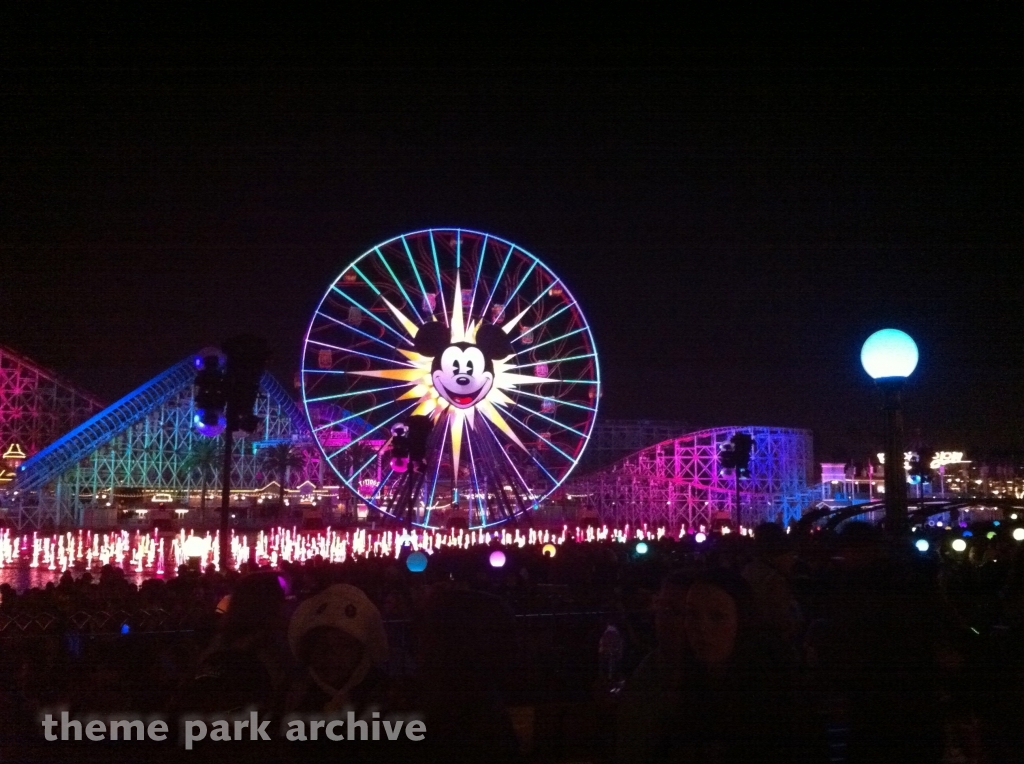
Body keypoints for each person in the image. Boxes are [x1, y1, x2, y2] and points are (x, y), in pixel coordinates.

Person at [668, 569, 823, 763]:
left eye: (717, 616)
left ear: (742, 622)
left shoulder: (778, 694)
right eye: (692, 614)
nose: (701, 627)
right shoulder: (683, 681)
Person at [616, 571, 692, 764]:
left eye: (675, 611)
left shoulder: (712, 680)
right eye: (662, 608)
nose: (663, 618)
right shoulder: (649, 666)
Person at [285, 583, 390, 714]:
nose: (331, 656)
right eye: (321, 645)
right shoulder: (291, 699)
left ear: (361, 650)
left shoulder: (388, 698)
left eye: (343, 645)